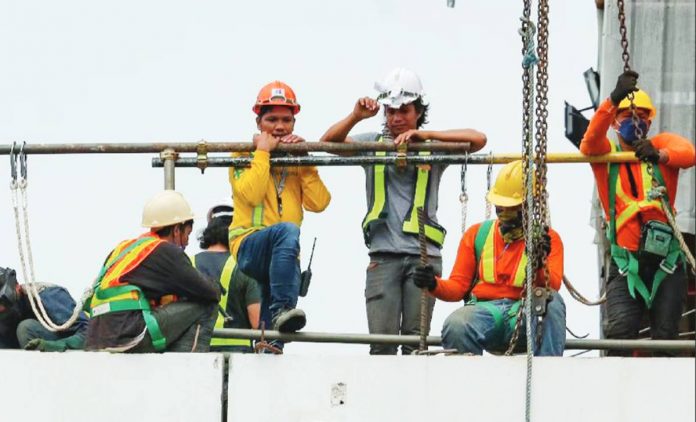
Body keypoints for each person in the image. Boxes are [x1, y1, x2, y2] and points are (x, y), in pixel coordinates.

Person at [320, 67, 487, 354]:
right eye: (390, 111)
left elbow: (478, 139)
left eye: (404, 111)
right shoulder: (373, 144)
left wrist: (424, 136)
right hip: (383, 256)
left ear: (418, 112)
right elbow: (327, 143)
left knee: (415, 345)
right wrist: (356, 116)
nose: (396, 118)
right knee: (382, 345)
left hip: (424, 257)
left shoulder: (432, 146)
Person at [580, 71, 696, 354]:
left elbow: (689, 153)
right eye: (628, 116)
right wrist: (612, 100)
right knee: (620, 333)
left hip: (665, 262)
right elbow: (589, 143)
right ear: (614, 122)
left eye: (643, 116)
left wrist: (660, 155)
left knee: (666, 336)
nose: (636, 120)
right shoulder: (606, 156)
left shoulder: (661, 148)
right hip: (626, 264)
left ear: (650, 121)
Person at [414, 160, 566, 356]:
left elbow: (550, 286)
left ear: (528, 206)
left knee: (552, 302)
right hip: (485, 313)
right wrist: (433, 283)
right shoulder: (477, 234)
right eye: (500, 206)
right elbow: (458, 287)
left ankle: (547, 372)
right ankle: (469, 383)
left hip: (523, 315)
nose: (503, 212)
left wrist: (538, 262)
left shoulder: (548, 239)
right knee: (457, 324)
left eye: (510, 207)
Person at [228, 80, 331, 336]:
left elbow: (320, 203)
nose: (280, 127)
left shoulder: (294, 160)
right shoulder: (242, 156)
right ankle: (282, 307)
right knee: (287, 231)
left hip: (284, 258)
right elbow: (251, 195)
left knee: (274, 334)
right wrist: (262, 153)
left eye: (286, 120)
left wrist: (304, 161)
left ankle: (270, 345)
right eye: (272, 119)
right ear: (258, 123)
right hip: (250, 245)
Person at [84, 190, 221, 353]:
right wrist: (213, 285)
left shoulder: (125, 248)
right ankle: (185, 368)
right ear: (177, 229)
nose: (187, 241)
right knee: (207, 303)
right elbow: (208, 292)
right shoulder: (166, 251)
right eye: (187, 234)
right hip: (128, 334)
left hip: (96, 336)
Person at [192, 204, 261, 353]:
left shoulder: (187, 263)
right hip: (238, 357)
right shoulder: (245, 266)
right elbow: (257, 322)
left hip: (196, 352)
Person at [0, 266, 87, 352]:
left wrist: (57, 345)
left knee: (26, 327)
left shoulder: (48, 295)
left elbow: (89, 332)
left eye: (2, 302)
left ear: (17, 287)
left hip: (67, 354)